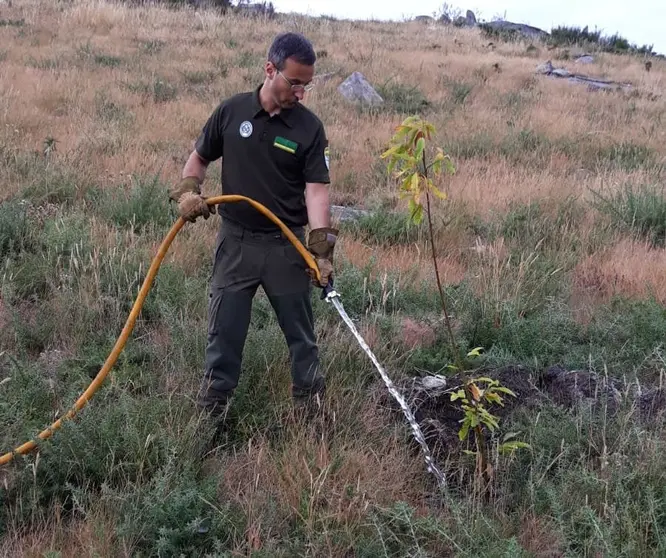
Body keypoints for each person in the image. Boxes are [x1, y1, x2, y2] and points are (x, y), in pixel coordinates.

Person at [167, 32, 338, 431]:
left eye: (306, 85)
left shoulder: (310, 128)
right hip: (236, 243)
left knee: (301, 337)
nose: (300, 92)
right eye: (293, 82)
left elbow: (317, 191)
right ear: (269, 69)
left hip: (286, 246)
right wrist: (189, 191)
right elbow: (198, 158)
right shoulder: (232, 111)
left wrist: (321, 249)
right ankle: (211, 418)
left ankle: (312, 417)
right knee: (223, 334)